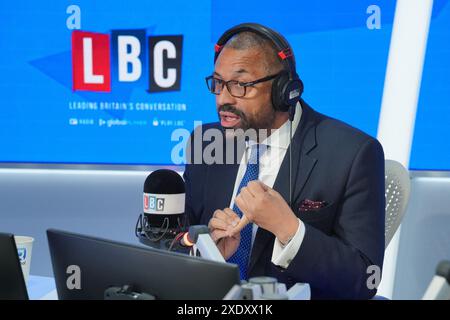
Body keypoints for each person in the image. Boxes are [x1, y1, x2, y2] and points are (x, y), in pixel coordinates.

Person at [183, 23, 385, 299]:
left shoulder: (353, 153)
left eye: (240, 85)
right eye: (218, 83)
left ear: (284, 90)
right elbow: (176, 242)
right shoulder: (207, 141)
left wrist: (290, 230)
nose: (223, 99)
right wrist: (205, 249)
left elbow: (365, 280)